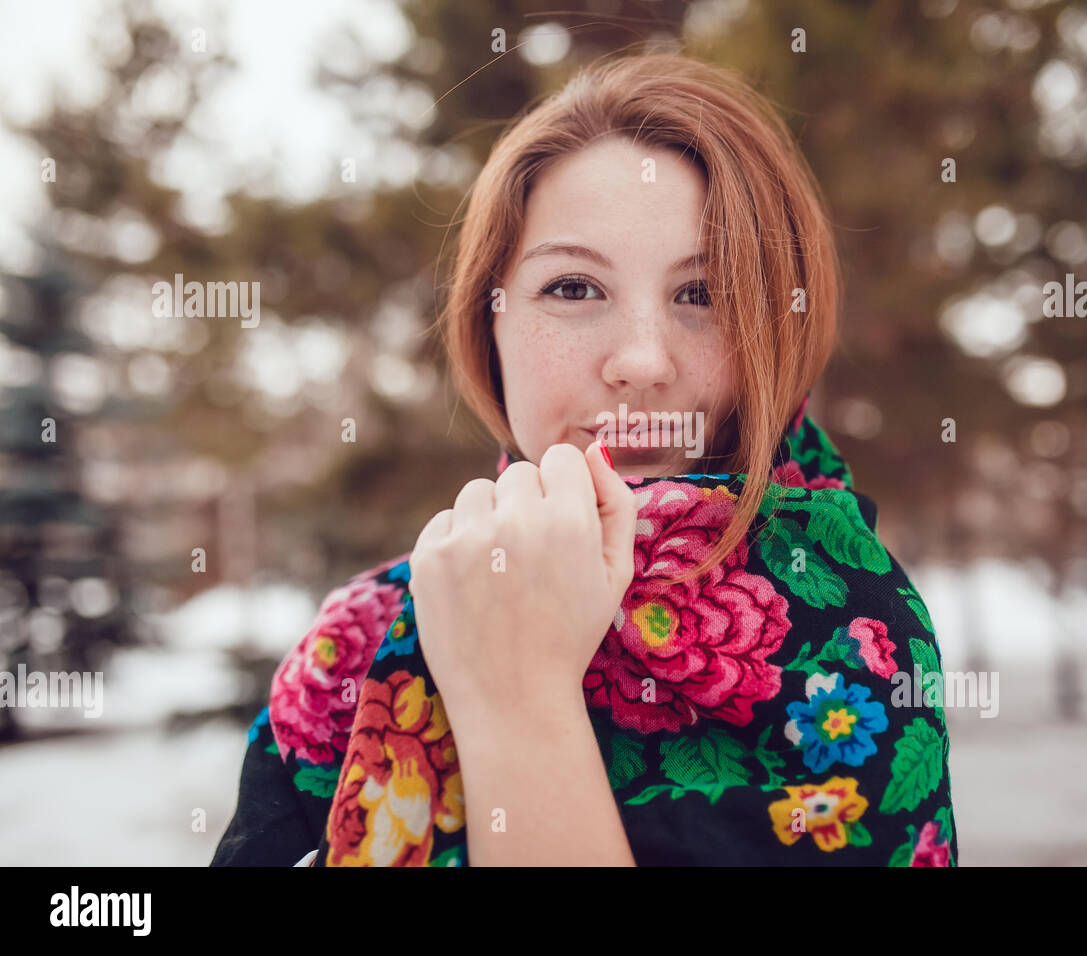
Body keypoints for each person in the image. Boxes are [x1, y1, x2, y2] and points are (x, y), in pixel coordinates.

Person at [213, 51, 958, 867]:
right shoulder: (357, 638)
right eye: (573, 288)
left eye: (702, 294)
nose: (642, 361)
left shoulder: (855, 640)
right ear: (488, 323)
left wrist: (518, 700)